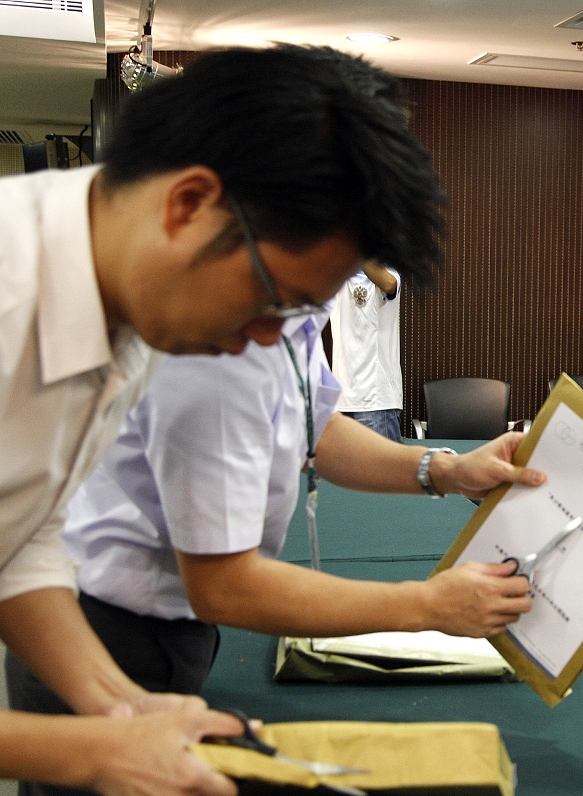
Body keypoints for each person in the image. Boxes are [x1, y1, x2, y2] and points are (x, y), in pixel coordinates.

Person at [0, 44, 461, 794]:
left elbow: (21, 533)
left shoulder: (131, 298)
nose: (269, 339)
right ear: (188, 204)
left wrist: (114, 707)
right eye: (273, 299)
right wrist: (89, 753)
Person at [7, 310, 540, 753]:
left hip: (163, 623)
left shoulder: (291, 312)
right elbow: (224, 585)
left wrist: (447, 470)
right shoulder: (213, 344)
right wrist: (427, 606)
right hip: (101, 627)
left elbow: (314, 427)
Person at [331, 262, 405, 440]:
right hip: (341, 398)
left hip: (377, 400)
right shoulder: (336, 276)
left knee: (381, 459)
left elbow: (389, 284)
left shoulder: (389, 271)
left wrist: (357, 249)